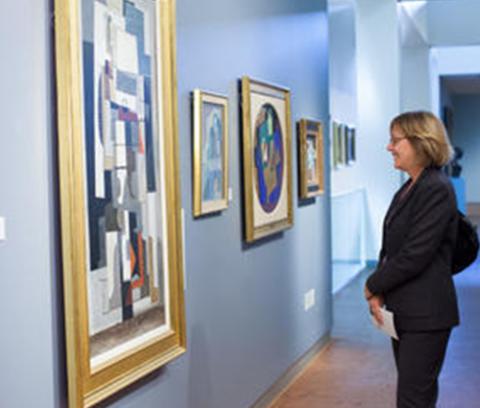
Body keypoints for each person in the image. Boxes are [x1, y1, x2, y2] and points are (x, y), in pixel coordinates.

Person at [364, 111, 459, 408]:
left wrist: (371, 283)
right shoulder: (408, 188)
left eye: (395, 140)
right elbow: (390, 249)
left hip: (426, 315)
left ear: (421, 142)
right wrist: (379, 291)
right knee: (413, 394)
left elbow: (415, 254)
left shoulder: (435, 188)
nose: (389, 147)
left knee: (413, 399)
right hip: (405, 311)